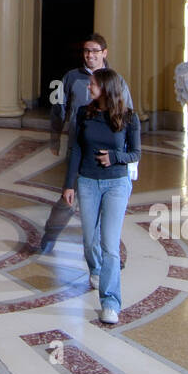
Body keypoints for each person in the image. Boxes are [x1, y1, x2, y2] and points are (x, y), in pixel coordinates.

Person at [62, 67, 140, 325]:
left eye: (93, 84)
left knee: (110, 245)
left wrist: (115, 157)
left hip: (116, 184)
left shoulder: (128, 117)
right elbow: (75, 150)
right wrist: (69, 184)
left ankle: (110, 301)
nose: (89, 87)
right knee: (88, 239)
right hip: (87, 181)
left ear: (106, 88)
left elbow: (135, 154)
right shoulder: (85, 113)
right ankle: (95, 270)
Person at [44, 33, 134, 254]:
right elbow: (59, 109)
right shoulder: (71, 77)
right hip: (79, 147)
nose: (89, 55)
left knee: (109, 205)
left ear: (104, 53)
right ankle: (50, 234)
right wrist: (55, 138)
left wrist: (128, 158)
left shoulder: (116, 80)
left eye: (94, 51)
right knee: (67, 196)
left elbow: (127, 114)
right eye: (86, 51)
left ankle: (109, 249)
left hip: (107, 151)